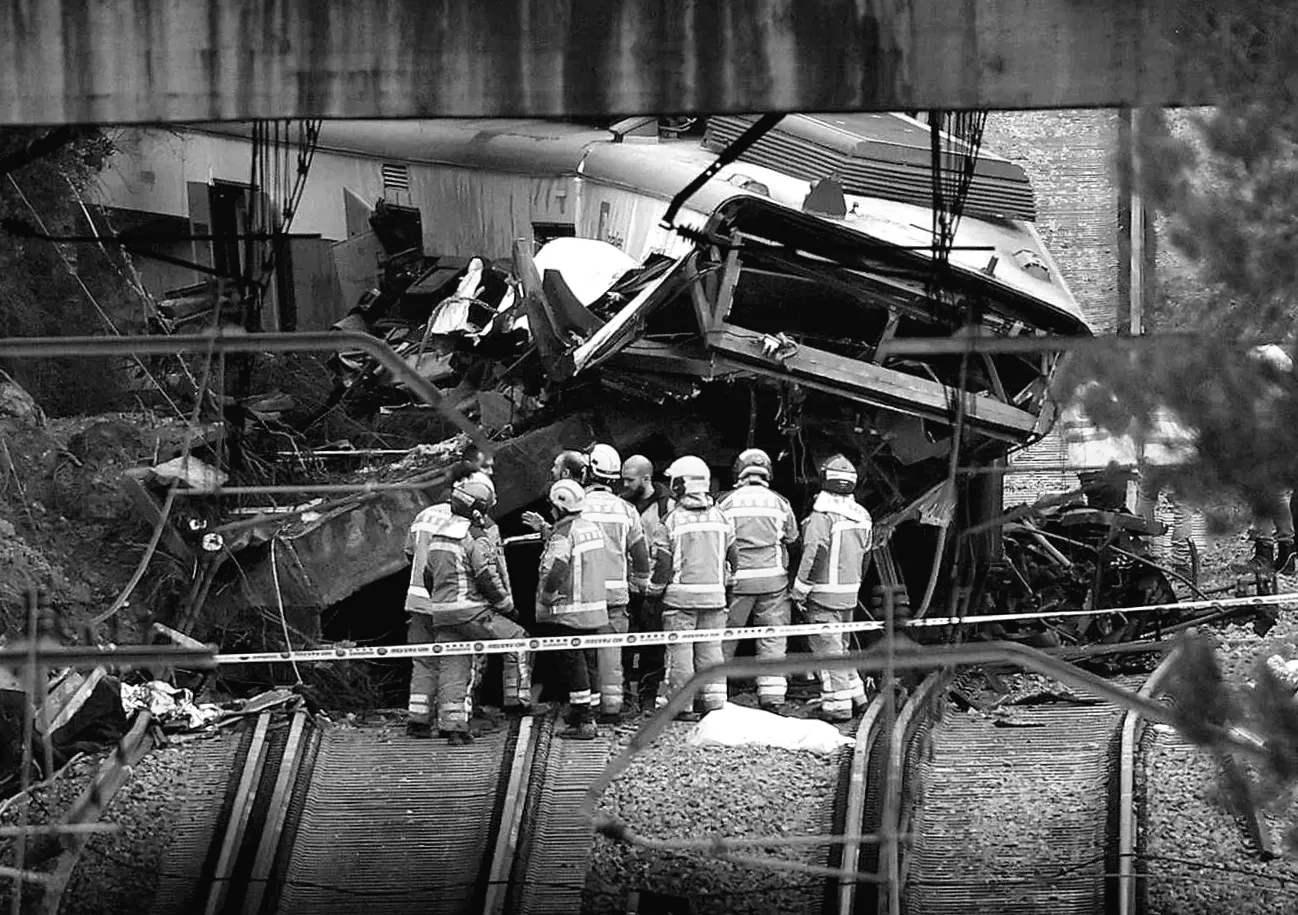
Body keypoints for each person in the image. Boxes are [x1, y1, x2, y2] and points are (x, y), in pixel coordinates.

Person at [421, 478, 530, 745]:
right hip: (472, 612)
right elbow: (487, 578)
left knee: (454, 665)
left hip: (443, 613)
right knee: (518, 640)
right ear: (478, 508)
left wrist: (440, 602)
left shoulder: (439, 535)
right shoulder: (475, 537)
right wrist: (508, 608)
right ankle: (517, 703)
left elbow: (428, 575)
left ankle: (453, 726)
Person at [646, 455, 738, 720]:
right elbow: (734, 557)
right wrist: (726, 584)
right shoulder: (721, 517)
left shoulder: (672, 521)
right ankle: (714, 702)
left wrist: (653, 591)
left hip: (680, 601)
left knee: (681, 655)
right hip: (715, 599)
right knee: (711, 651)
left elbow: (663, 565)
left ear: (679, 484)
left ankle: (682, 706)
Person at [792, 454, 873, 723]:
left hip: (823, 596)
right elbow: (866, 556)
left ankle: (838, 707)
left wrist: (800, 590)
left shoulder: (823, 516)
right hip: (848, 595)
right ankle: (858, 698)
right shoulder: (863, 515)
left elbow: (816, 553)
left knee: (828, 655)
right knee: (841, 650)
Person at [718, 448, 800, 712]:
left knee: (725, 636)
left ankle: (716, 694)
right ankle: (772, 697)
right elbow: (792, 539)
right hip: (773, 582)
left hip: (738, 582)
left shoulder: (726, 503)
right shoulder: (780, 503)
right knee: (772, 637)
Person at [534, 479, 609, 740]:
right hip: (593, 610)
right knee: (589, 662)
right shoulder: (590, 527)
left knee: (574, 665)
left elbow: (558, 567)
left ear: (560, 507)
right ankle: (590, 711)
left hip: (570, 613)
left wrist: (547, 597)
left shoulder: (564, 534)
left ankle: (583, 720)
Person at [583, 444, 651, 721]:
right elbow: (640, 554)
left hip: (584, 595)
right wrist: (641, 585)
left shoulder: (577, 506)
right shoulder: (626, 510)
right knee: (611, 653)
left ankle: (585, 708)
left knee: (584, 654)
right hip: (615, 595)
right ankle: (612, 707)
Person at [620, 454, 674, 707]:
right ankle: (625, 696)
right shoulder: (623, 504)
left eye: (630, 480)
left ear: (646, 478)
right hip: (628, 586)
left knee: (654, 647)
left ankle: (648, 698)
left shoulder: (667, 506)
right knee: (625, 645)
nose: (625, 485)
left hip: (655, 589)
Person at [521, 450, 589, 538]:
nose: (552, 470)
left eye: (556, 467)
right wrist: (543, 526)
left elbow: (565, 537)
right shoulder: (586, 498)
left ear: (565, 473)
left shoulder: (560, 500)